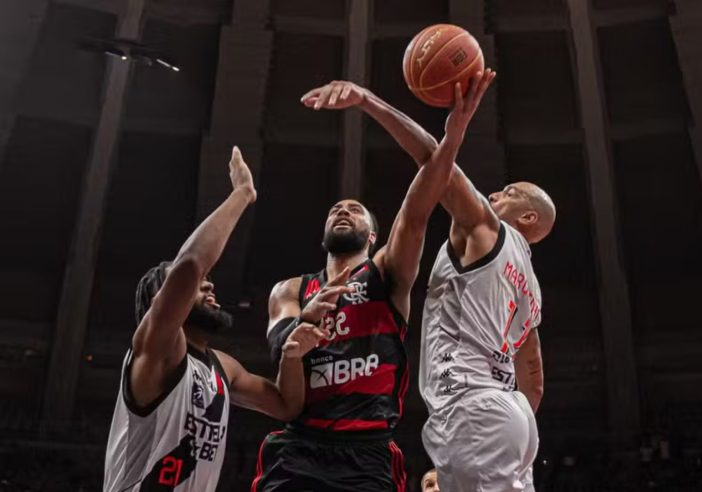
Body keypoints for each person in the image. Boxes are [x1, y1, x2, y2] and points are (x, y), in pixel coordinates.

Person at [249, 72, 494, 492]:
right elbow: (281, 349)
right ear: (323, 232)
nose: (343, 211)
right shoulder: (290, 290)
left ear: (374, 235)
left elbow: (419, 205)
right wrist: (305, 320)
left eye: (355, 210)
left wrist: (446, 138)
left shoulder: (386, 273)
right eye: (335, 210)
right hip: (300, 447)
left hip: (367, 452)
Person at [307, 77, 554, 491]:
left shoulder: (485, 227)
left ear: (528, 219)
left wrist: (370, 101)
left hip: (471, 401)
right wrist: (508, 422)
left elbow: (431, 160)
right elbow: (535, 381)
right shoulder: (530, 286)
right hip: (511, 414)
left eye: (508, 192)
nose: (494, 193)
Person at [104, 147, 328, 492]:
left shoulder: (222, 368)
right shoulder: (156, 349)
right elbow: (190, 265)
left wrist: (292, 355)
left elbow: (286, 405)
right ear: (160, 302)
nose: (208, 283)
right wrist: (241, 194)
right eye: (193, 287)